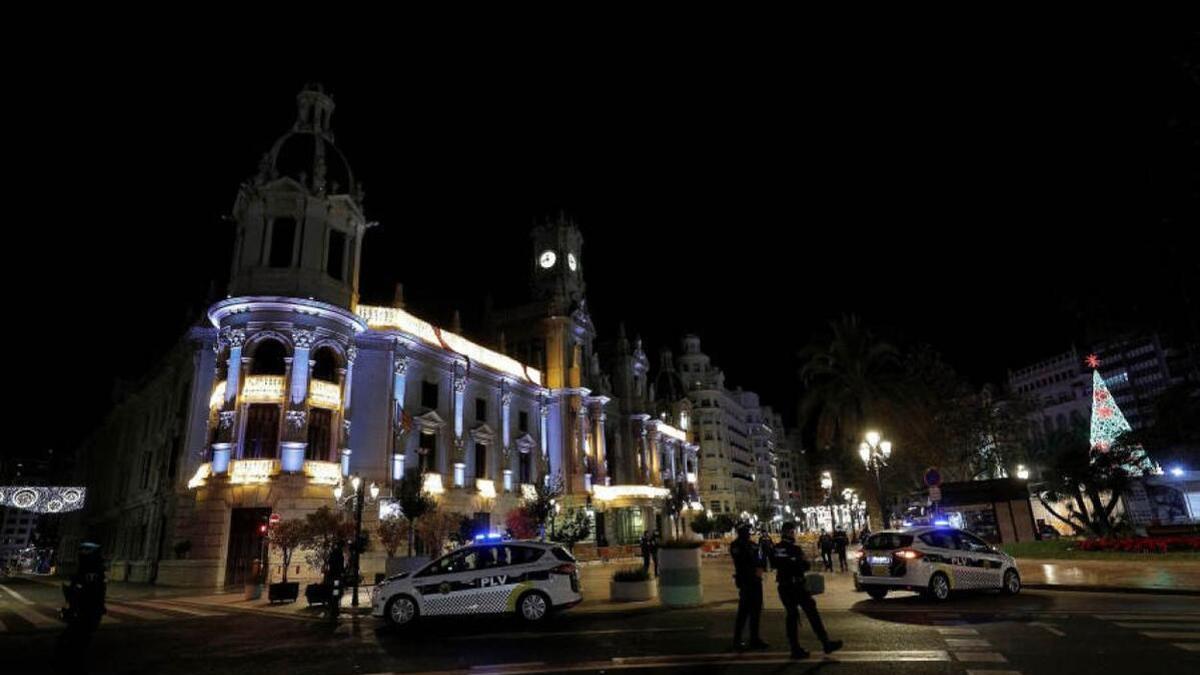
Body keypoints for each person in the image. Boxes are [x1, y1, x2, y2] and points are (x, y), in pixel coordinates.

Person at [773, 522, 843, 659]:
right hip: (796, 586)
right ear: (789, 532)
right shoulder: (795, 549)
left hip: (784, 586)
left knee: (792, 616)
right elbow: (804, 566)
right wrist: (797, 563)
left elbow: (775, 563)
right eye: (793, 532)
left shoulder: (776, 548)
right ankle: (825, 643)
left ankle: (795, 648)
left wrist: (791, 563)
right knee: (812, 614)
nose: (795, 534)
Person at [730, 523, 769, 651]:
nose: (747, 532)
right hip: (746, 581)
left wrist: (760, 566)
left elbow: (760, 558)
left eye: (748, 530)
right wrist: (755, 564)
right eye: (745, 530)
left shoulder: (752, 544)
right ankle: (737, 640)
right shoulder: (736, 545)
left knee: (756, 611)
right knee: (743, 612)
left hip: (755, 580)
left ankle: (754, 638)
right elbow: (742, 560)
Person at [325, 540, 345, 619]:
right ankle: (334, 608)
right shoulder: (339, 554)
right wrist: (343, 571)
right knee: (336, 592)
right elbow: (340, 566)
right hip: (336, 576)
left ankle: (333, 607)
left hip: (332, 576)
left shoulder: (333, 553)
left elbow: (329, 562)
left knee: (334, 592)